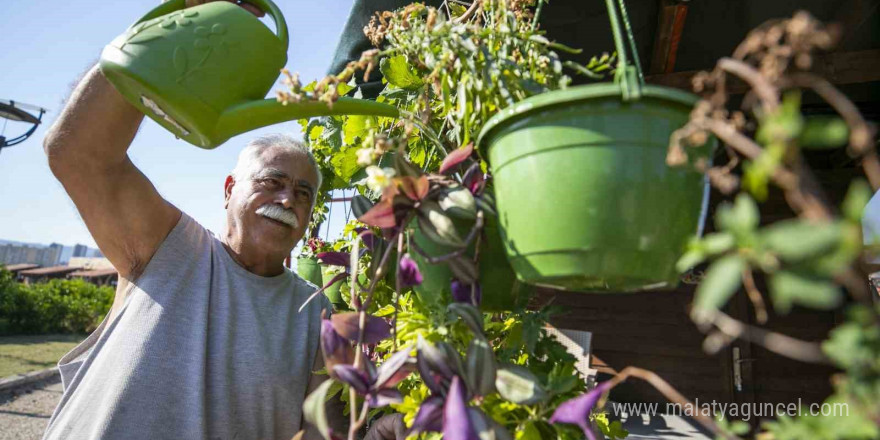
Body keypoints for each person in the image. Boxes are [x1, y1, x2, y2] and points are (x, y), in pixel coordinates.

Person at [40, 1, 403, 439]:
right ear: (230, 189)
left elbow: (317, 429)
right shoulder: (170, 247)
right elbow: (77, 152)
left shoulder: (316, 313)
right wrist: (168, 28)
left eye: (304, 193)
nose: (288, 199)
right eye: (273, 182)